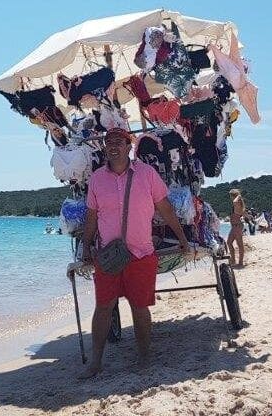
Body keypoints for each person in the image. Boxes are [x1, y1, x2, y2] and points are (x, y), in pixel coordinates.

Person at [80, 127, 189, 379]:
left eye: (119, 141)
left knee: (140, 307)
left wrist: (183, 239)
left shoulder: (147, 174)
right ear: (105, 148)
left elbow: (165, 208)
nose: (113, 145)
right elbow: (92, 216)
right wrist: (86, 246)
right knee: (103, 307)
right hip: (109, 255)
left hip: (141, 254)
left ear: (129, 147)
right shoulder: (97, 179)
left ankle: (144, 357)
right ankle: (95, 362)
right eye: (109, 142)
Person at [227, 189, 246, 267]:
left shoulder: (237, 203)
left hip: (237, 226)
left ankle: (240, 262)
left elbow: (235, 201)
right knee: (229, 242)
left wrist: (239, 195)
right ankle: (233, 260)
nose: (230, 197)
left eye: (231, 195)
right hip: (235, 226)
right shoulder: (237, 204)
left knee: (239, 244)